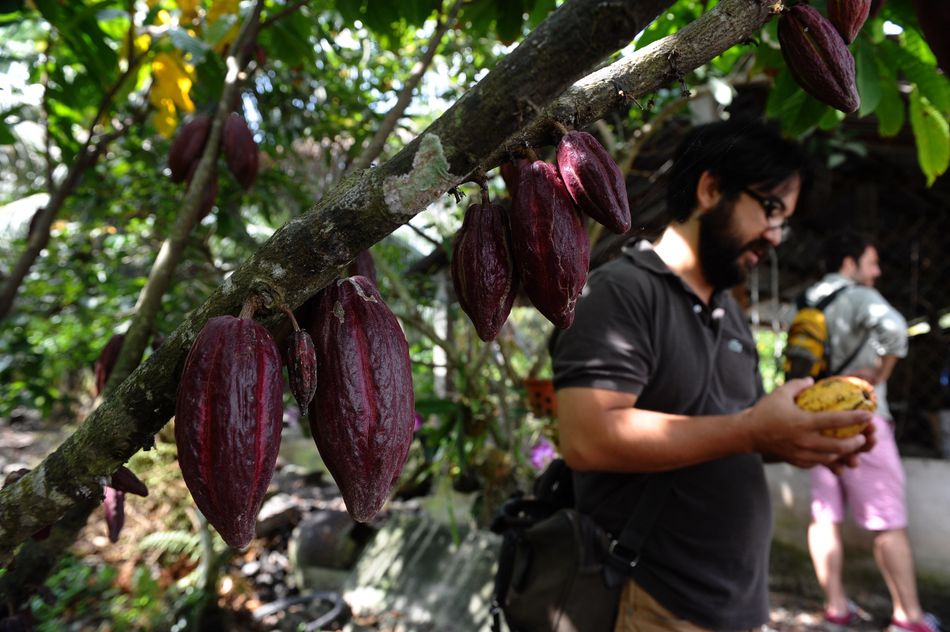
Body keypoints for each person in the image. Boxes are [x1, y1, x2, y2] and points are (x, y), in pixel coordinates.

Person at [551, 118, 875, 631]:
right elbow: (588, 437)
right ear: (710, 189)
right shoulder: (622, 292)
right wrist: (753, 430)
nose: (776, 235)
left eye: (784, 222)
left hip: (735, 606)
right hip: (652, 602)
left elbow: (732, 428)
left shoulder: (731, 313)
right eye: (771, 210)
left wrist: (802, 437)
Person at [804, 231, 940, 632]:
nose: (877, 272)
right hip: (861, 419)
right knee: (887, 520)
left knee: (823, 516)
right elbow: (896, 329)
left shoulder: (808, 299)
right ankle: (909, 618)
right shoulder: (860, 296)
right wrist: (879, 375)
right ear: (850, 262)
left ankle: (835, 610)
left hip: (815, 418)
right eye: (871, 262)